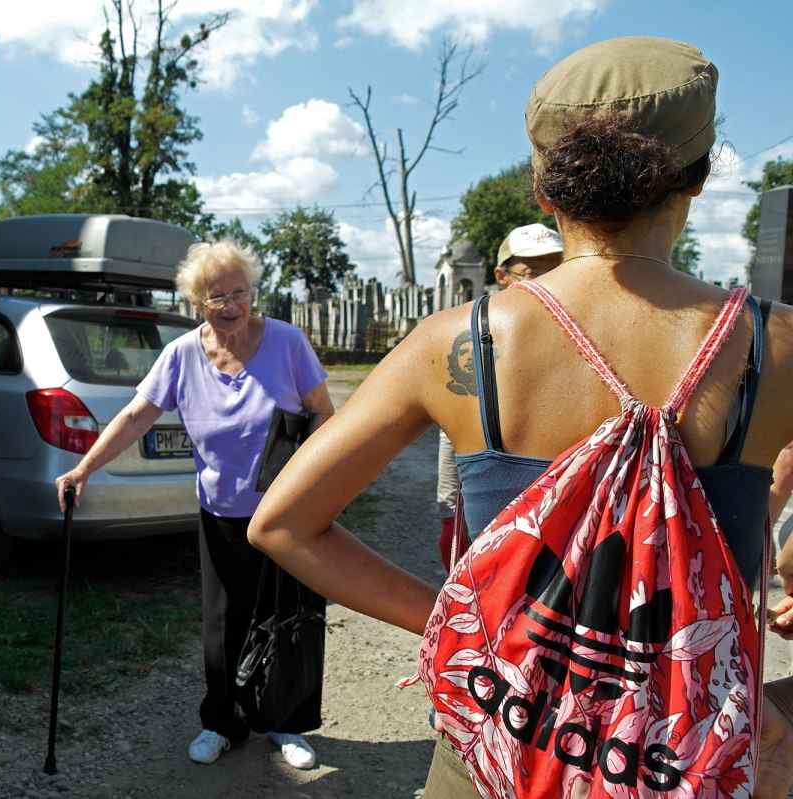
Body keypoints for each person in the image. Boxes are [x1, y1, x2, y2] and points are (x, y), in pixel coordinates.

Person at [249, 36, 793, 798]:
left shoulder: (459, 342)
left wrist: (467, 619)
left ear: (545, 187)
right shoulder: (774, 346)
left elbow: (283, 523)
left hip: (495, 755)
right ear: (698, 180)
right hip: (684, 765)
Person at [54, 239, 335, 769]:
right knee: (223, 621)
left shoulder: (287, 342)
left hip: (285, 510)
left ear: (253, 292)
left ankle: (284, 722)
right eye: (217, 297)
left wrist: (309, 472)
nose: (231, 305)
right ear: (195, 303)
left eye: (240, 293)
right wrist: (84, 467)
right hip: (220, 510)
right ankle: (222, 722)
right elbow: (137, 417)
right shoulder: (182, 354)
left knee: (285, 614)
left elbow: (323, 414)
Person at [436, 223, 563, 558]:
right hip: (496, 504)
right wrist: (449, 509)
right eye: (532, 272)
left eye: (558, 270)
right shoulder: (475, 337)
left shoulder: (579, 336)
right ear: (502, 275)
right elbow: (453, 429)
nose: (546, 282)